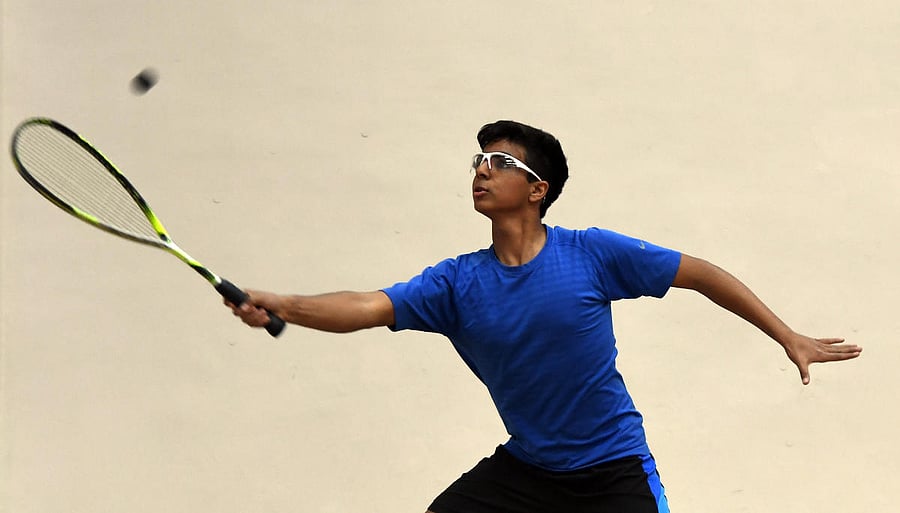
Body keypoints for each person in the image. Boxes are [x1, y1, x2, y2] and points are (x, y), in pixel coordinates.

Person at [226, 120, 862, 513]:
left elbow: (699, 273)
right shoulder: (455, 282)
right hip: (529, 473)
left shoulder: (591, 255)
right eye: (478, 161)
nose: (482, 170)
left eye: (500, 162)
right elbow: (366, 307)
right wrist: (286, 304)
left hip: (614, 470)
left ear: (538, 189)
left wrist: (788, 337)